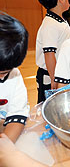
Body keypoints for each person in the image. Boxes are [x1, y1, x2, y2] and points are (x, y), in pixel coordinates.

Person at [35, 0, 70, 103]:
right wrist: (54, 78)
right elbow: (49, 53)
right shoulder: (50, 24)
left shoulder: (58, 20)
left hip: (57, 71)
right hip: (49, 74)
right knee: (46, 105)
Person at [0, 13, 30, 143]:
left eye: (6, 72)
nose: (3, 76)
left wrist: (5, 147)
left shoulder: (14, 76)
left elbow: (17, 116)